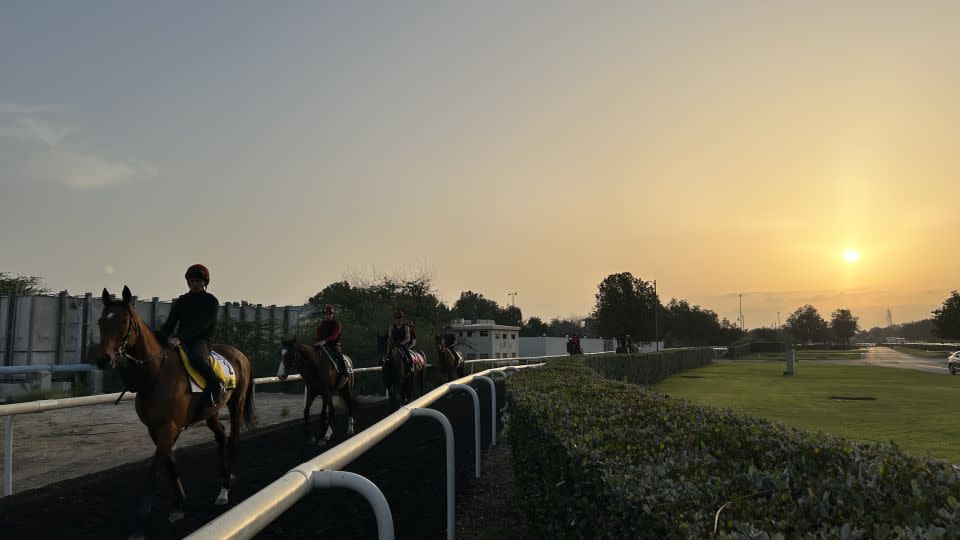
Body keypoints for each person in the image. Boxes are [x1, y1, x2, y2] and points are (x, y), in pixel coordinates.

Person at [156, 263, 222, 406]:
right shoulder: (182, 300)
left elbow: (201, 326)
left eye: (198, 281)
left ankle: (216, 385)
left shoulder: (211, 301)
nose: (194, 284)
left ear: (204, 283)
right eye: (191, 281)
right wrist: (158, 336)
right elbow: (169, 324)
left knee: (196, 358)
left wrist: (179, 338)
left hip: (202, 341)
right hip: (181, 340)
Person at [314, 304, 349, 387]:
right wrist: (318, 341)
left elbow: (334, 336)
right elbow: (318, 335)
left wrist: (325, 341)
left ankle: (345, 371)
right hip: (322, 345)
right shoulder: (320, 326)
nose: (328, 316)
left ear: (332, 314)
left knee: (338, 355)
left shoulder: (337, 324)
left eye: (329, 314)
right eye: (326, 314)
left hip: (334, 345)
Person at [388, 309, 416, 374]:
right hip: (394, 344)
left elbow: (408, 339)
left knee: (407, 354)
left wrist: (401, 343)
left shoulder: (406, 327)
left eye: (399, 317)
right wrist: (392, 342)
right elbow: (389, 336)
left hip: (402, 344)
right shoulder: (391, 326)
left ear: (402, 318)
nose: (397, 319)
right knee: (387, 354)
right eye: (396, 317)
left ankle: (411, 365)